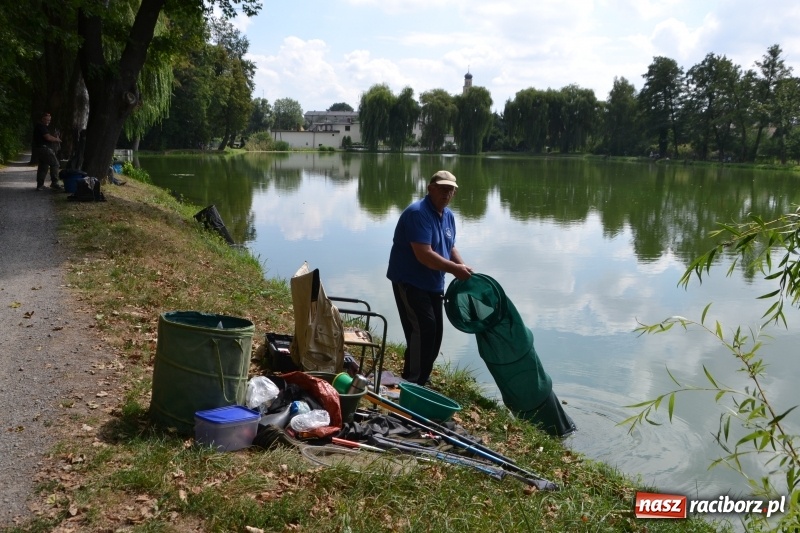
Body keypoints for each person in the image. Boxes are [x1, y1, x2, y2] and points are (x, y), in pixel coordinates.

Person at [387, 170, 473, 385]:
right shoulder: (418, 213)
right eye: (442, 188)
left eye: (450, 190)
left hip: (434, 283)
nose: (447, 193)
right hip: (410, 281)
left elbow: (449, 246)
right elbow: (423, 254)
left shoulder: (448, 216)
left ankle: (421, 376)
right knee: (422, 330)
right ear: (430, 188)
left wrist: (461, 266)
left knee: (435, 334)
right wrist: (454, 269)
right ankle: (412, 381)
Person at [33, 112, 62, 191]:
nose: (48, 122)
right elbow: (48, 137)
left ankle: (40, 185)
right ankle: (55, 183)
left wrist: (54, 137)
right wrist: (57, 139)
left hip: (40, 149)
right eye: (46, 120)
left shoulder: (40, 127)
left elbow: (48, 136)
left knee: (43, 167)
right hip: (44, 149)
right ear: (42, 119)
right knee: (55, 164)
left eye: (49, 120)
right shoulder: (41, 126)